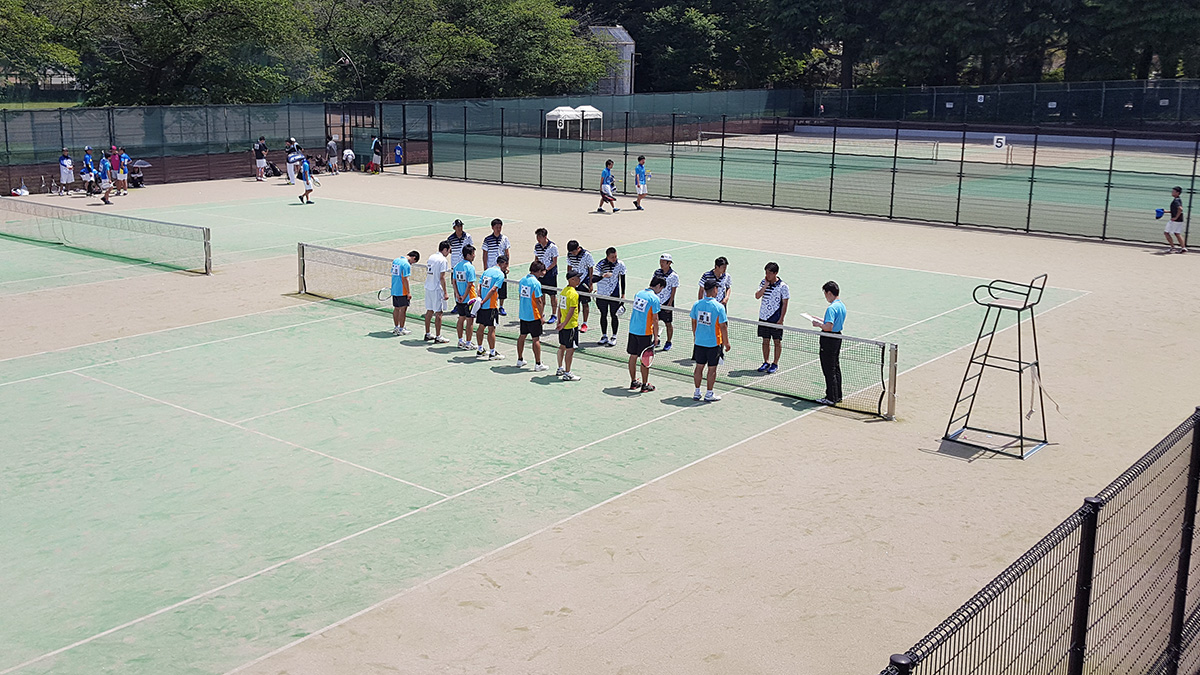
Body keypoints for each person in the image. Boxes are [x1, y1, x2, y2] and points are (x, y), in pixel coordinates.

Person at [691, 280, 731, 402]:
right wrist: (726, 343)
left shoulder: (697, 305)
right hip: (713, 343)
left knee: (699, 367)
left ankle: (697, 392)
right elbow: (723, 326)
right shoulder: (719, 307)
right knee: (712, 369)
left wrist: (695, 335)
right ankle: (709, 393)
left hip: (699, 342)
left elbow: (694, 322)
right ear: (714, 290)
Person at [626, 277, 665, 393]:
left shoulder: (638, 294)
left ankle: (633, 382)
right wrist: (656, 336)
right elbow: (655, 319)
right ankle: (644, 384)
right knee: (645, 359)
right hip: (645, 332)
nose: (661, 291)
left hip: (633, 329)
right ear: (658, 285)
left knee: (633, 356)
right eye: (661, 288)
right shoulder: (654, 298)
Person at [811, 280, 846, 406]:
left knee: (828, 369)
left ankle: (830, 397)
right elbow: (833, 323)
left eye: (825, 294)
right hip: (837, 338)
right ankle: (838, 395)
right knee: (836, 367)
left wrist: (818, 324)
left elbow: (828, 327)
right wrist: (822, 321)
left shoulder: (831, 308)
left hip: (829, 339)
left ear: (829, 293)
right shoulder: (841, 305)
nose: (825, 297)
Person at [754, 262, 790, 374]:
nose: (767, 275)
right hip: (763, 317)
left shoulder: (783, 287)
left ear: (775, 273)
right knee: (765, 340)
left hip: (776, 319)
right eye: (766, 272)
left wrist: (781, 319)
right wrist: (765, 286)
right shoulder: (763, 282)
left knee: (777, 341)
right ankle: (766, 362)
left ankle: (775, 363)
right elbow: (757, 296)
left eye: (769, 273)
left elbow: (785, 303)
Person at [474, 255, 509, 360]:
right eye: (506, 264)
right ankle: (492, 353)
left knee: (481, 327)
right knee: (491, 329)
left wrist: (480, 298)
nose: (506, 267)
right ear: (503, 263)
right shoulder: (500, 275)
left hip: (482, 305)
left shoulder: (487, 271)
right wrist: (484, 301)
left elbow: (479, 285)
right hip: (491, 306)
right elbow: (494, 289)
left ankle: (480, 350)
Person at [517, 261, 549, 371]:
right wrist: (541, 316)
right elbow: (539, 301)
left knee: (522, 336)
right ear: (539, 271)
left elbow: (520, 296)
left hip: (523, 314)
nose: (544, 272)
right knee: (536, 339)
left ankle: (520, 360)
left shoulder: (523, 280)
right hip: (533, 316)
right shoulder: (536, 283)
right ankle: (538, 364)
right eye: (542, 271)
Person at [594, 247, 626, 347]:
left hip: (614, 294)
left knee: (614, 315)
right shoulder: (601, 264)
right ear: (607, 256)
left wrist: (623, 294)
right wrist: (603, 275)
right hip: (602, 294)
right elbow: (593, 279)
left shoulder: (620, 264)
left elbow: (622, 279)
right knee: (603, 315)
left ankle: (614, 336)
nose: (614, 259)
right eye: (612, 257)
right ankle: (604, 336)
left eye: (615, 256)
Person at [556, 271, 583, 381]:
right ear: (571, 280)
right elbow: (571, 311)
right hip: (570, 326)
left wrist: (559, 322)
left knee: (562, 347)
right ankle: (567, 373)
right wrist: (564, 324)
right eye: (577, 278)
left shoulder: (564, 291)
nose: (579, 280)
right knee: (570, 350)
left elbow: (559, 308)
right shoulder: (574, 294)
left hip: (563, 325)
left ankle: (560, 368)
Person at [423, 241, 451, 343]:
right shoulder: (443, 260)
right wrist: (445, 292)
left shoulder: (431, 257)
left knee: (429, 311)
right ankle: (438, 337)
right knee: (439, 313)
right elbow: (442, 278)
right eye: (449, 250)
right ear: (445, 249)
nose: (449, 252)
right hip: (436, 289)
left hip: (428, 287)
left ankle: (427, 333)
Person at [482, 219, 511, 316]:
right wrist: (485, 267)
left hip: (501, 269)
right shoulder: (487, 239)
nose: (498, 229)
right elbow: (485, 254)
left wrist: (507, 266)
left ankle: (501, 306)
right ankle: (491, 304)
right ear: (492, 227)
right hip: (491, 268)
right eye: (496, 227)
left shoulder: (505, 239)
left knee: (502, 288)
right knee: (491, 288)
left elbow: (507, 253)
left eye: (500, 227)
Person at [452, 244, 479, 350]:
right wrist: (464, 296)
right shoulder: (470, 267)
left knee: (461, 319)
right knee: (469, 321)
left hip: (459, 299)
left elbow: (454, 282)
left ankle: (460, 340)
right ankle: (468, 343)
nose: (474, 256)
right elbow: (469, 284)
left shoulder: (457, 266)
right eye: (473, 254)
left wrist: (458, 295)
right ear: (468, 255)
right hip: (469, 300)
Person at [566, 240, 594, 333]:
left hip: (584, 281)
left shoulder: (587, 255)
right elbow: (569, 266)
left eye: (574, 252)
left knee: (585, 304)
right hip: (574, 282)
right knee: (575, 303)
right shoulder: (570, 255)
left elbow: (590, 268)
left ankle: (585, 323)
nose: (572, 254)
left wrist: (591, 283)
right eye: (571, 252)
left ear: (578, 248)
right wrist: (569, 280)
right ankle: (575, 322)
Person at [653, 253, 679, 351]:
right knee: (654, 322)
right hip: (656, 302)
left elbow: (673, 290)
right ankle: (656, 340)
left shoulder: (674, 276)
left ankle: (668, 342)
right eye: (660, 261)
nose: (661, 264)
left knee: (668, 323)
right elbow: (652, 284)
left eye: (663, 262)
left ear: (669, 263)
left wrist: (670, 303)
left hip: (667, 302)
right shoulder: (657, 272)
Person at [390, 250, 420, 335]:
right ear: (414, 258)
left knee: (396, 308)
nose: (412, 264)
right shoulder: (406, 264)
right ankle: (401, 329)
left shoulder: (396, 260)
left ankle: (396, 327)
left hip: (394, 289)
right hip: (402, 291)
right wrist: (408, 292)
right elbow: (405, 279)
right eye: (414, 262)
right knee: (403, 310)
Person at [534, 228, 559, 323]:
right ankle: (541, 313)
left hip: (550, 275)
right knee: (541, 295)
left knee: (552, 295)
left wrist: (545, 270)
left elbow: (554, 262)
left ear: (545, 237)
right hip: (540, 274)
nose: (538, 239)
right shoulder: (537, 246)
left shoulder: (553, 247)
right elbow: (536, 259)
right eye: (537, 237)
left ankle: (554, 314)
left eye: (539, 237)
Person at [1165, 186, 1188, 253]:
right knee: (1177, 233)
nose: (1172, 193)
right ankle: (1183, 248)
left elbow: (1180, 209)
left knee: (1166, 233)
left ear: (1178, 193)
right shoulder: (1178, 200)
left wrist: (1175, 217)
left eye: (1173, 191)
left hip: (1175, 220)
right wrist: (1167, 211)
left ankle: (1173, 247)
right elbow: (1176, 210)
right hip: (1180, 219)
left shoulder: (1176, 200)